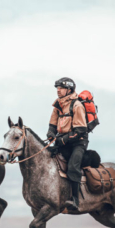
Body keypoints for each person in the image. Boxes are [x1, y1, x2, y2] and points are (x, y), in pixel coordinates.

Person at [46, 77, 88, 211]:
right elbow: (52, 125)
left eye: (61, 88)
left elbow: (80, 130)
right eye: (57, 88)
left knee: (73, 166)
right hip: (63, 141)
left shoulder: (77, 105)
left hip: (78, 143)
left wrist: (61, 140)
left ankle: (75, 200)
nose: (58, 90)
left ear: (69, 90)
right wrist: (51, 134)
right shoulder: (57, 105)